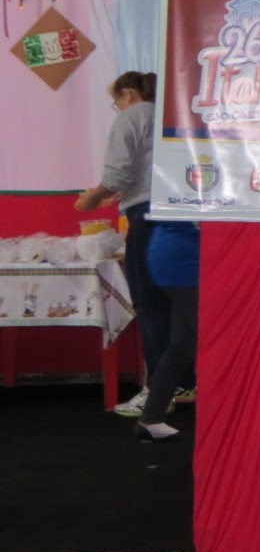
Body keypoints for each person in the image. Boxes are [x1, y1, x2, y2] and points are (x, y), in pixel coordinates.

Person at [75, 71, 185, 418]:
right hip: (182, 217)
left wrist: (93, 198)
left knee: (149, 305)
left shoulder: (131, 117)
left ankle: (158, 392)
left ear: (128, 94)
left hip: (147, 219)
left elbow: (117, 174)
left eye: (116, 101)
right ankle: (183, 383)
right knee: (180, 305)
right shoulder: (172, 114)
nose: (118, 107)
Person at [134, 220, 200, 442]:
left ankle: (150, 419)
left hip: (174, 256)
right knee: (216, 344)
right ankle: (230, 426)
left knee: (182, 346)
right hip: (186, 261)